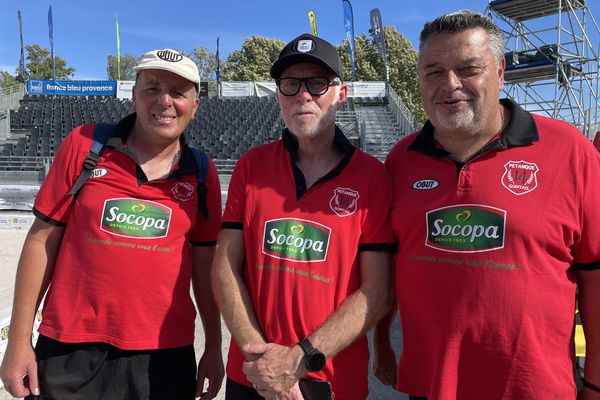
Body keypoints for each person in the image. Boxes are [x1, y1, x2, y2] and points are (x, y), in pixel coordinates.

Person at [374, 10, 600, 400]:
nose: (450, 84)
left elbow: (596, 276)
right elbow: (389, 267)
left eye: (468, 68)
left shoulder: (569, 151)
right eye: (433, 72)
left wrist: (596, 380)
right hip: (430, 385)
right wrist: (381, 343)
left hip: (534, 388)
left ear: (500, 70)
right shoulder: (401, 159)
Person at [0, 49, 224, 399]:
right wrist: (18, 341)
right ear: (134, 96)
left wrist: (213, 346)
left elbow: (205, 267)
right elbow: (40, 242)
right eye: (152, 88)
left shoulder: (202, 173)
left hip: (163, 356)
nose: (164, 101)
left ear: (195, 106)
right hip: (69, 348)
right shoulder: (85, 144)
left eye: (178, 92)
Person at [211, 33, 395, 400]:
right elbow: (224, 267)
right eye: (291, 84)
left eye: (317, 83)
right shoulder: (252, 166)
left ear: (340, 94)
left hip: (330, 377)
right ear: (278, 94)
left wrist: (299, 357)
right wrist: (261, 358)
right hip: (251, 372)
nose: (303, 95)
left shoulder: (372, 177)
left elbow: (376, 291)